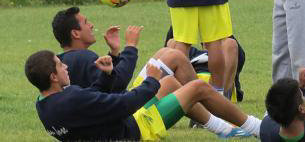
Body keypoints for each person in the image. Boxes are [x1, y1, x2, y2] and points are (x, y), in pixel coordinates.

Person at [51, 7, 250, 138]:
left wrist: (114, 53)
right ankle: (222, 118)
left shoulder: (69, 59)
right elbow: (117, 83)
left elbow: (103, 85)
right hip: (127, 109)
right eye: (86, 22)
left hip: (116, 108)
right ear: (75, 33)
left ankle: (214, 122)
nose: (91, 25)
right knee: (174, 57)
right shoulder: (82, 58)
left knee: (171, 72)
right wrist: (130, 47)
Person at [25, 50, 262, 141]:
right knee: (197, 89)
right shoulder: (70, 100)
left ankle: (222, 129)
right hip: (136, 133)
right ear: (53, 77)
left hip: (119, 127)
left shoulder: (44, 104)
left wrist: (106, 76)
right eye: (60, 65)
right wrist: (150, 79)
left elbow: (92, 99)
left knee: (169, 82)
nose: (65, 66)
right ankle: (257, 128)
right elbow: (124, 104)